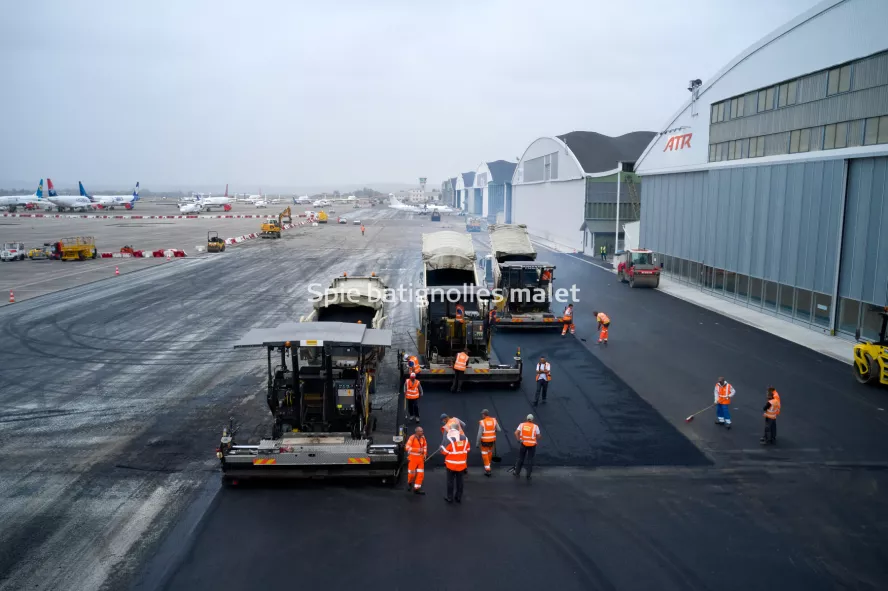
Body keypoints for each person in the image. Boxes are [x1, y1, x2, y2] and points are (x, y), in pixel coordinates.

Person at [440, 427, 469, 503]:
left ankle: (450, 498)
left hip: (451, 465)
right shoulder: (465, 438)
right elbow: (468, 449)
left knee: (450, 482)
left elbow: (444, 452)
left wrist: (441, 447)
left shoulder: (449, 439)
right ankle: (458, 497)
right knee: (460, 482)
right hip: (461, 465)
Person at [509, 414, 540, 480]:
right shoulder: (535, 426)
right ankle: (528, 476)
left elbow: (516, 433)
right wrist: (534, 438)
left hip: (523, 444)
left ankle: (517, 473)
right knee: (530, 460)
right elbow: (539, 436)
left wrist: (519, 440)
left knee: (520, 458)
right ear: (532, 419)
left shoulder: (522, 425)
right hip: (532, 445)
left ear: (526, 418)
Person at [476, 409, 502, 476]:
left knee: (484, 454)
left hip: (484, 441)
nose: (482, 415)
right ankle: (488, 465)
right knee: (489, 453)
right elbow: (499, 429)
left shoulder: (482, 422)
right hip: (492, 441)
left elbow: (479, 434)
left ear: (484, 414)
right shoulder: (494, 420)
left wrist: (477, 443)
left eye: (482, 414)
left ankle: (487, 470)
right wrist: (493, 430)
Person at [405, 426, 427, 494]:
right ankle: (409, 483)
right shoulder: (412, 438)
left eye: (422, 431)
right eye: (421, 431)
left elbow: (425, 446)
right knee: (412, 474)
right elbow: (407, 447)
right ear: (417, 432)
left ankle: (417, 488)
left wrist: (425, 454)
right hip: (413, 458)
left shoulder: (423, 437)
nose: (422, 432)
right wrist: (417, 450)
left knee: (420, 474)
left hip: (420, 459)